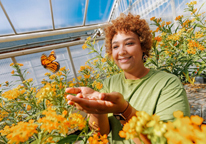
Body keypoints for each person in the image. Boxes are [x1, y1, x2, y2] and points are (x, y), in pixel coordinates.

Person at [66, 13, 190, 144]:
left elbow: (169, 140)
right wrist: (96, 111)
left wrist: (125, 111)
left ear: (143, 46)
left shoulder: (168, 83)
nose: (121, 51)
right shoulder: (110, 82)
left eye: (129, 43)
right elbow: (99, 135)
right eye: (115, 46)